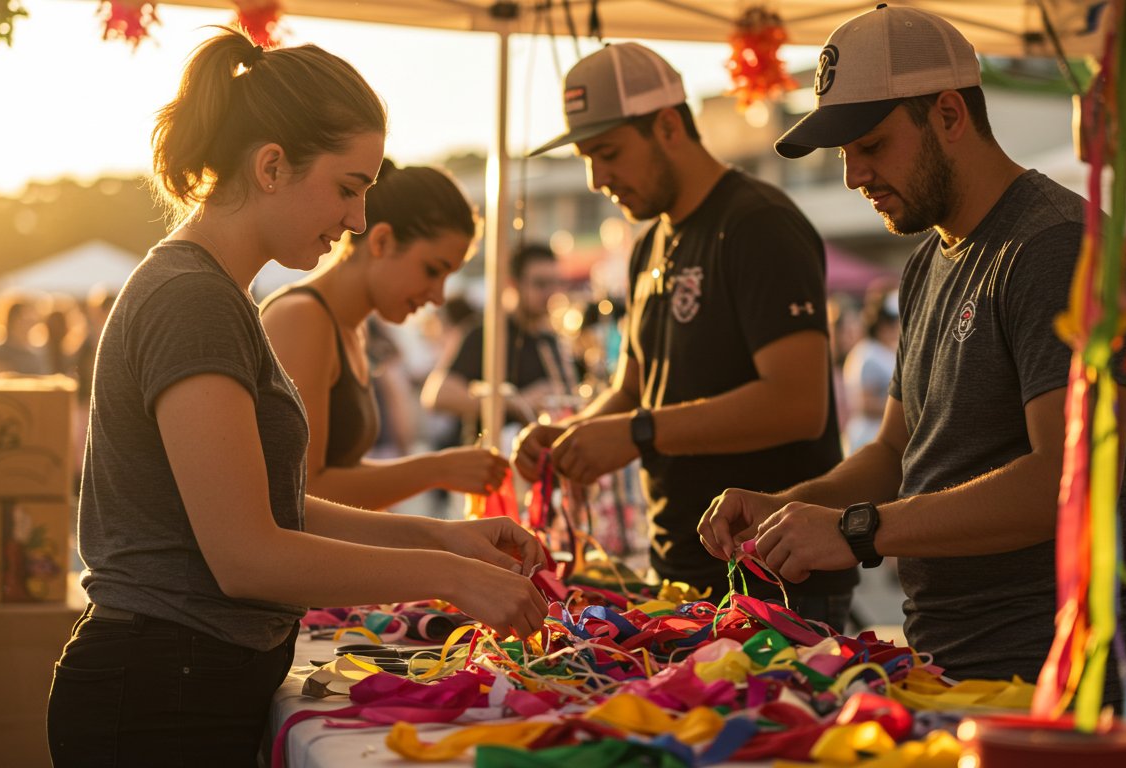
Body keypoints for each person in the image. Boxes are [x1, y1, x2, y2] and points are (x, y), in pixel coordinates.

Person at [46, 29, 547, 768]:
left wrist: (439, 538)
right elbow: (248, 557)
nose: (354, 219)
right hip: (156, 694)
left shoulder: (215, 296)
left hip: (178, 680)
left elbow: (273, 505)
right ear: (272, 166)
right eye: (349, 187)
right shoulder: (193, 300)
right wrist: (448, 577)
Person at [698, 5, 1126, 702]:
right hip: (951, 667)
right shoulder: (926, 262)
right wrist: (789, 508)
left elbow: (1067, 482)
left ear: (948, 114)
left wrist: (856, 530)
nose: (854, 176)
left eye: (872, 145)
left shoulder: (1056, 246)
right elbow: (893, 455)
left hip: (1057, 676)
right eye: (845, 154)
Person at [511, 42, 853, 625]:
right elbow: (634, 390)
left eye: (609, 153)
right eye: (588, 158)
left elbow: (798, 406)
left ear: (668, 125)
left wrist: (638, 431)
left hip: (775, 574)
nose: (597, 179)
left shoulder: (757, 223)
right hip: (678, 570)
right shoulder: (649, 241)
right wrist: (571, 436)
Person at [260, 162, 508, 511]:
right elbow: (303, 490)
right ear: (382, 240)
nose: (437, 297)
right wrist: (436, 469)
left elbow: (340, 473)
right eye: (432, 271)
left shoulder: (348, 327)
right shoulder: (302, 318)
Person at [422, 243, 576, 443]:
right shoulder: (487, 334)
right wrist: (518, 402)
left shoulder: (552, 340)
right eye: (540, 284)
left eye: (556, 283)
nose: (551, 293)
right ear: (513, 284)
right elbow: (437, 395)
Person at [842, 286, 899, 453]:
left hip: (884, 433)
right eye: (893, 322)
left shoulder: (888, 351)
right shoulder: (867, 354)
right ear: (881, 324)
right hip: (869, 435)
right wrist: (904, 409)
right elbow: (864, 402)